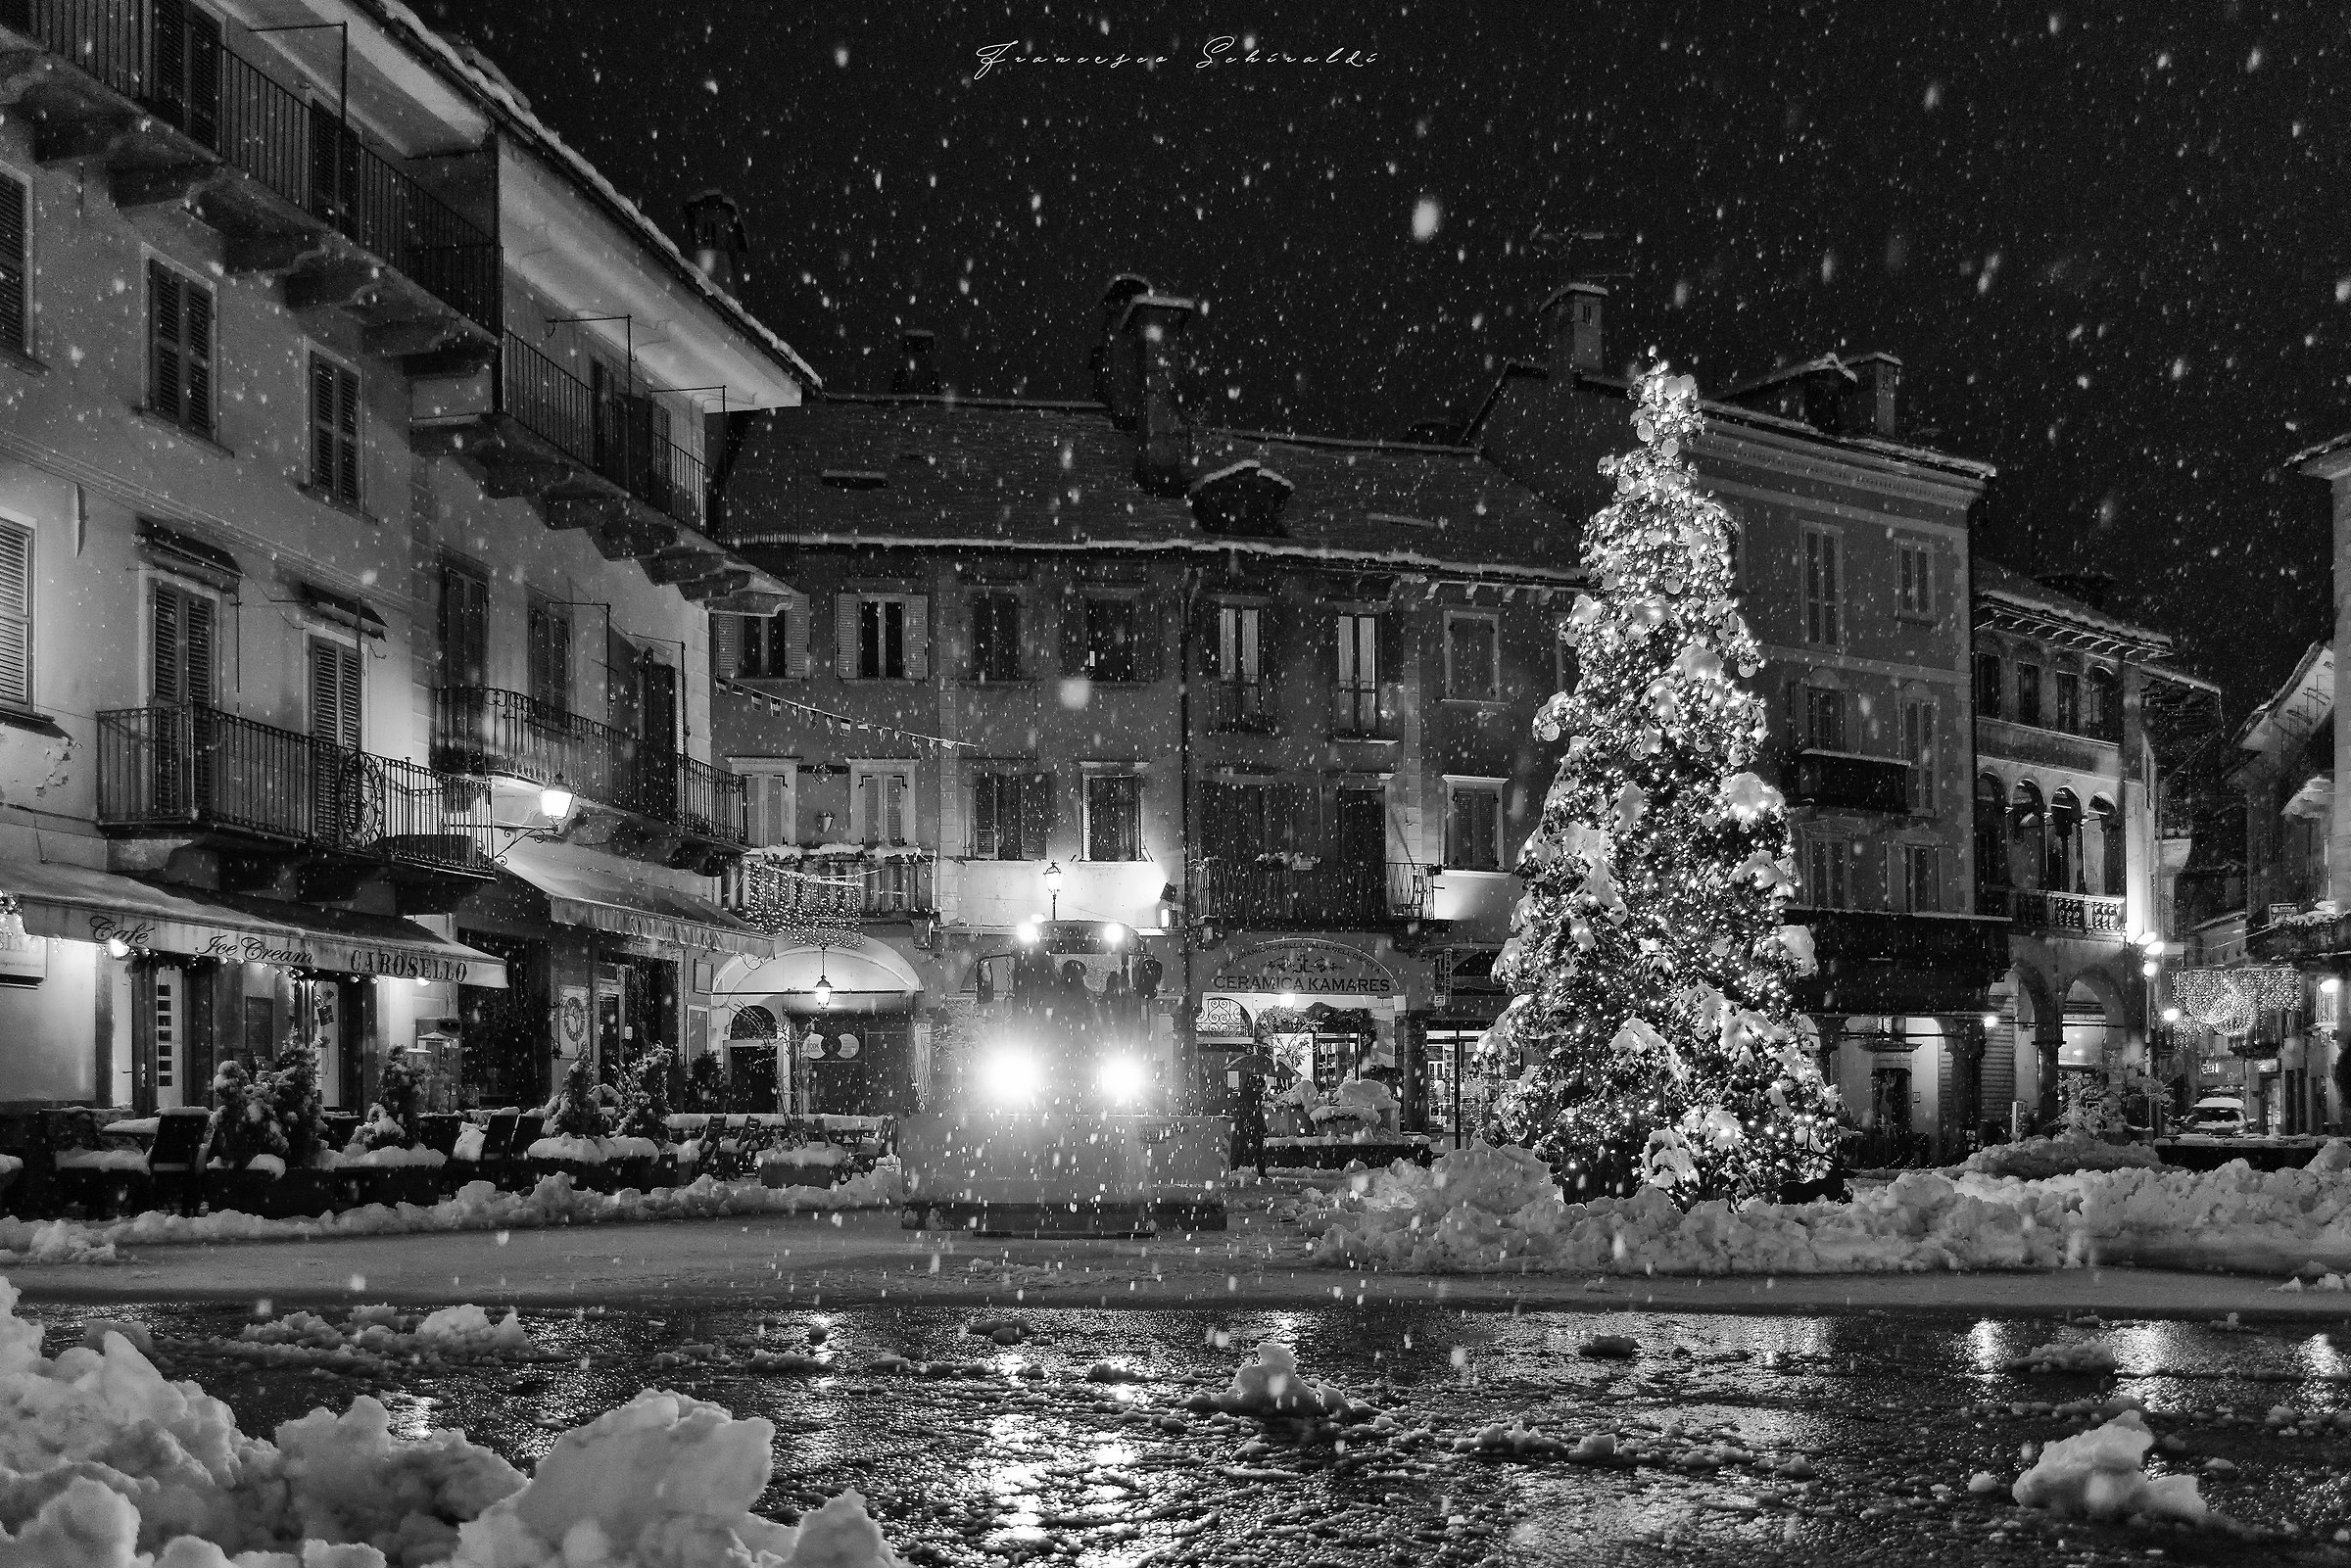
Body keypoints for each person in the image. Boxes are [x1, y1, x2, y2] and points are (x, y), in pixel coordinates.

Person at [1235, 1070, 1268, 1177]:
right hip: (1251, 1126)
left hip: (1246, 1125)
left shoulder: (1245, 1094)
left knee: (1241, 1148)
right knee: (1257, 1150)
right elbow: (1255, 1113)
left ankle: (1234, 1169)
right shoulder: (1251, 1097)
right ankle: (1261, 1172)